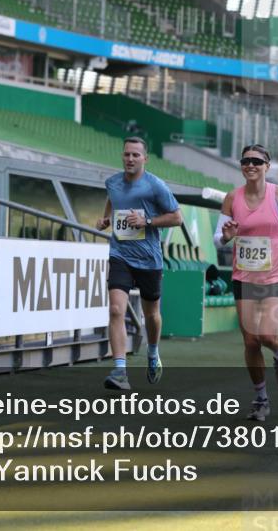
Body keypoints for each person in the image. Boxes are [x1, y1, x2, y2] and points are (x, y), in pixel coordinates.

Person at [214, 144, 278, 422]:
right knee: (250, 341)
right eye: (246, 160)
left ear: (267, 166)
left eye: (257, 161)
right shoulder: (233, 198)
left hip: (276, 274)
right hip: (244, 276)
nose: (251, 165)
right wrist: (227, 236)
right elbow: (216, 238)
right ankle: (261, 398)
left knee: (267, 335)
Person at [97, 137, 183, 390]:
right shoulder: (112, 182)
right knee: (115, 310)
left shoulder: (155, 186)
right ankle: (120, 371)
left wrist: (146, 222)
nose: (130, 159)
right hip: (120, 254)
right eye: (126, 154)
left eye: (135, 155)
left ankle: (153, 352)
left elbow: (177, 218)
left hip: (149, 258)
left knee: (152, 315)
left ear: (145, 158)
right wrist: (105, 219)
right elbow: (113, 199)